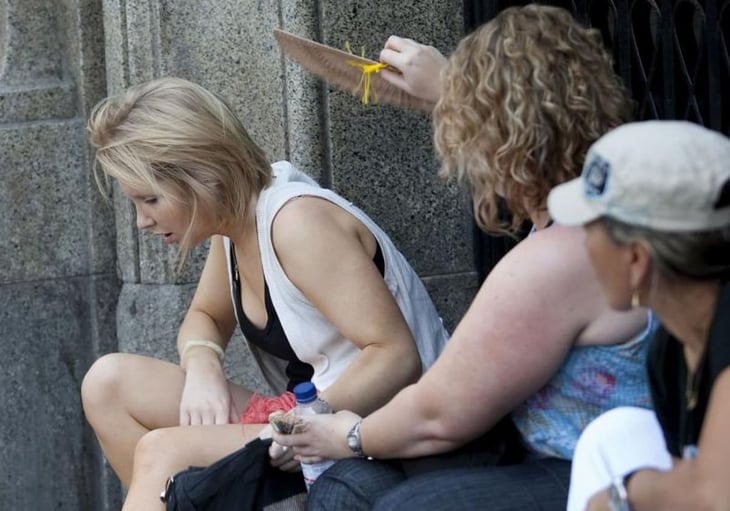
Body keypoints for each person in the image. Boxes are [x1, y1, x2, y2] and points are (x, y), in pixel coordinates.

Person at [273, 5, 654, 510]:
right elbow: (531, 118)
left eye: (464, 127)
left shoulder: (560, 256)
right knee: (349, 492)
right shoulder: (619, 201)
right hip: (555, 453)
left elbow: (438, 414)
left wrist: (349, 435)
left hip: (605, 480)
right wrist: (456, 90)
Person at [80, 76, 449, 511]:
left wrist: (302, 421)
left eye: (150, 200)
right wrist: (203, 366)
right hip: (295, 419)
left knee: (163, 451)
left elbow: (395, 355)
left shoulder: (296, 223)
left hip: (377, 432)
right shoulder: (234, 222)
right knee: (108, 384)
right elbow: (206, 315)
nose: (142, 221)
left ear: (201, 174)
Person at [547, 120, 730, 511]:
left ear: (635, 260)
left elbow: (711, 496)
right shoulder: (671, 348)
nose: (582, 244)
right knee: (612, 434)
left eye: (588, 228)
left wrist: (627, 492)